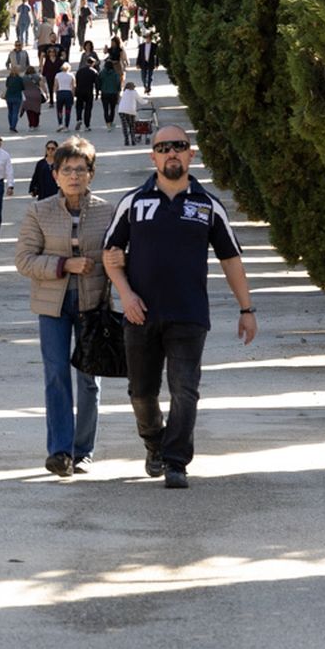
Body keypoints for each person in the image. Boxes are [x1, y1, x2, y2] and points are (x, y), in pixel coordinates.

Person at [102, 126, 257, 489]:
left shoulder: (207, 206)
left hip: (189, 314)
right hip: (140, 314)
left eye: (179, 146)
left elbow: (231, 259)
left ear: (191, 155)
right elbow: (110, 256)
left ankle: (175, 462)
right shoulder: (133, 203)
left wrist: (246, 309)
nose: (171, 152)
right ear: (152, 157)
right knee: (141, 392)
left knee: (185, 389)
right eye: (163, 147)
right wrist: (125, 295)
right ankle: (154, 444)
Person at [15, 137, 114, 477]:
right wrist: (63, 265)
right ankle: (60, 451)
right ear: (54, 174)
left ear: (91, 174)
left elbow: (117, 257)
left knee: (89, 378)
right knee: (56, 373)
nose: (74, 176)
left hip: (93, 304)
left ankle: (83, 450)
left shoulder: (108, 212)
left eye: (81, 169)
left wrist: (104, 263)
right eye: (67, 169)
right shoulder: (39, 211)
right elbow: (24, 260)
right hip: (53, 305)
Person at [74, 47, 99, 131]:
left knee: (79, 106)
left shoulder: (80, 71)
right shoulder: (94, 72)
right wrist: (97, 93)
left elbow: (76, 81)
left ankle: (79, 119)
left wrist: (75, 91)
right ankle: (87, 125)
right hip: (89, 91)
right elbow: (97, 83)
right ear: (93, 63)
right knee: (88, 108)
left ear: (86, 62)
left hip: (80, 91)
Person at [100, 42, 123, 125]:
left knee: (105, 109)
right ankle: (111, 121)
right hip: (113, 93)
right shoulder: (115, 74)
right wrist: (118, 91)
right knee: (112, 108)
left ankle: (107, 122)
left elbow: (99, 81)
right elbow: (118, 83)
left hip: (105, 93)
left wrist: (99, 89)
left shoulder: (102, 73)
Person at [3, 54, 26, 133]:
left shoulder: (9, 78)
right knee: (15, 112)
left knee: (10, 111)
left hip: (9, 96)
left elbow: (7, 86)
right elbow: (23, 88)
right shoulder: (20, 79)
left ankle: (10, 125)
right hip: (17, 97)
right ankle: (13, 126)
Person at [53, 62, 76, 132]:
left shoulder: (57, 75)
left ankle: (60, 124)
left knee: (59, 110)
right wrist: (73, 95)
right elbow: (73, 86)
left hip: (60, 92)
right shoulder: (71, 75)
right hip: (68, 93)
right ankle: (66, 126)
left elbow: (55, 85)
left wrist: (55, 94)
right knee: (67, 111)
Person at [21, 65, 44, 129]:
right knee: (36, 110)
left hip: (27, 95)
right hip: (36, 94)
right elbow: (42, 85)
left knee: (29, 110)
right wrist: (46, 93)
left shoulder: (23, 78)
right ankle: (36, 123)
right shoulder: (38, 76)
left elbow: (21, 86)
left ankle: (31, 124)